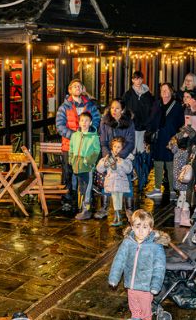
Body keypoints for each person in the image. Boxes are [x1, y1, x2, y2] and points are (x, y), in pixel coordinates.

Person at [108, 210, 168, 320]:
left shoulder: (155, 246)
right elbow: (119, 260)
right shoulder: (127, 242)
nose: (140, 231)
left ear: (151, 229)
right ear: (132, 227)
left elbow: (159, 267)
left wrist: (155, 285)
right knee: (133, 304)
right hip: (131, 283)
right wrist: (114, 277)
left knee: (145, 307)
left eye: (145, 227)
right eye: (137, 226)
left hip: (147, 285)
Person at [55, 79, 101, 213]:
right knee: (68, 175)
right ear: (70, 90)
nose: (77, 88)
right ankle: (68, 200)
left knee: (86, 174)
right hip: (69, 147)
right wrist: (76, 136)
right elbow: (60, 126)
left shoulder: (90, 105)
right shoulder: (64, 107)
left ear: (82, 89)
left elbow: (97, 120)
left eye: (79, 86)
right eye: (74, 86)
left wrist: (87, 133)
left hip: (87, 147)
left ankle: (87, 201)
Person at [145, 83, 183, 202]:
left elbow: (180, 123)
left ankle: (172, 190)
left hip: (170, 137)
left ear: (171, 91)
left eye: (166, 90)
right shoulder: (157, 103)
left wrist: (177, 137)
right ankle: (157, 189)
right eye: (162, 90)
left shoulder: (177, 105)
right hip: (158, 137)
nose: (164, 92)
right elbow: (151, 119)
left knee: (170, 163)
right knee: (157, 162)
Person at [99, 99, 136, 215]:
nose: (114, 111)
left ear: (123, 110)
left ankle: (129, 209)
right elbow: (103, 141)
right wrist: (108, 156)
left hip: (123, 155)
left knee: (127, 180)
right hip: (109, 154)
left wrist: (120, 156)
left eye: (117, 108)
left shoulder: (129, 123)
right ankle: (104, 208)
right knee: (107, 179)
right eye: (112, 108)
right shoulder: (105, 122)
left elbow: (131, 142)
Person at [122, 71, 155, 195]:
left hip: (144, 129)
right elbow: (124, 109)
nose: (138, 81)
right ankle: (131, 176)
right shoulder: (128, 94)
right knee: (131, 153)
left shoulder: (148, 95)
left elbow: (152, 110)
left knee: (142, 156)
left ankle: (142, 180)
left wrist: (149, 125)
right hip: (132, 128)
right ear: (132, 80)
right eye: (135, 79)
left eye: (140, 79)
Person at [68, 111, 101, 220]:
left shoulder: (93, 137)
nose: (84, 123)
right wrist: (71, 159)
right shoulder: (75, 135)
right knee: (80, 187)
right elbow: (71, 149)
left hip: (87, 167)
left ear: (90, 122)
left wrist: (88, 161)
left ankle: (86, 209)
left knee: (87, 187)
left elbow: (96, 151)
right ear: (79, 122)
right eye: (82, 120)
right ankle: (81, 207)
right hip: (77, 166)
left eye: (86, 121)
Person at [97, 137, 133, 227]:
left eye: (119, 147)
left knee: (118, 199)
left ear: (123, 148)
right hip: (111, 183)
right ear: (111, 147)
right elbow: (99, 169)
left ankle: (118, 217)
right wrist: (104, 163)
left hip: (120, 183)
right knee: (115, 200)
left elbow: (129, 169)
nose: (116, 149)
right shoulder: (109, 157)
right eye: (115, 146)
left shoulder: (126, 157)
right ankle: (117, 216)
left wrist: (121, 162)